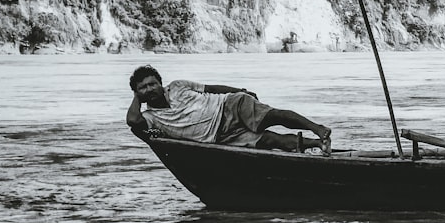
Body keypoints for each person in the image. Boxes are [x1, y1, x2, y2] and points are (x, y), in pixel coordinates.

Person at [126, 65, 331, 154]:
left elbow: (212, 89)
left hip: (228, 107)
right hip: (220, 137)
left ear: (161, 83)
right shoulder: (150, 117)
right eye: (143, 88)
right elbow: (133, 122)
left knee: (272, 116)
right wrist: (137, 96)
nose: (150, 89)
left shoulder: (178, 86)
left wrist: (241, 91)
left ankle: (317, 128)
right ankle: (318, 144)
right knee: (270, 140)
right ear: (138, 94)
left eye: (153, 84)